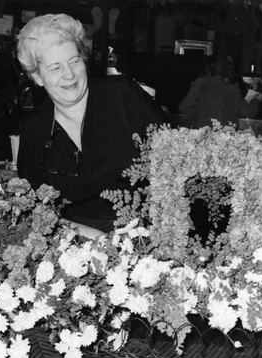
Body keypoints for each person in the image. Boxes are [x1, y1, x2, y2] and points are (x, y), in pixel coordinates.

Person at [16, 13, 163, 234]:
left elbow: (172, 162)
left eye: (74, 61)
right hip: (73, 243)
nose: (69, 75)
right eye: (55, 68)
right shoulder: (34, 128)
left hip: (145, 233)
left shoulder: (123, 95)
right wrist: (96, 240)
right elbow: (37, 210)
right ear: (37, 77)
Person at [177, 56, 262, 128]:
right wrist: (257, 99)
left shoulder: (199, 83)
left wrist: (199, 115)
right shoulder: (232, 89)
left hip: (198, 137)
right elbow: (247, 112)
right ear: (228, 72)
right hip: (222, 138)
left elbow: (183, 107)